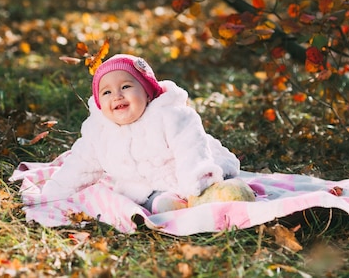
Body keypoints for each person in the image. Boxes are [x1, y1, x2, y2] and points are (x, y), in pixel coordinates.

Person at [41, 54, 251, 214]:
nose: (117, 95)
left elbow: (191, 148)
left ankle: (215, 191)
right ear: (99, 103)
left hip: (189, 168)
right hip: (145, 186)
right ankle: (165, 204)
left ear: (148, 93)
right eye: (106, 92)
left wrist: (197, 181)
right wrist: (53, 195)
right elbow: (79, 166)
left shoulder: (170, 116)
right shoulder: (99, 131)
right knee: (151, 201)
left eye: (125, 86)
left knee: (219, 188)